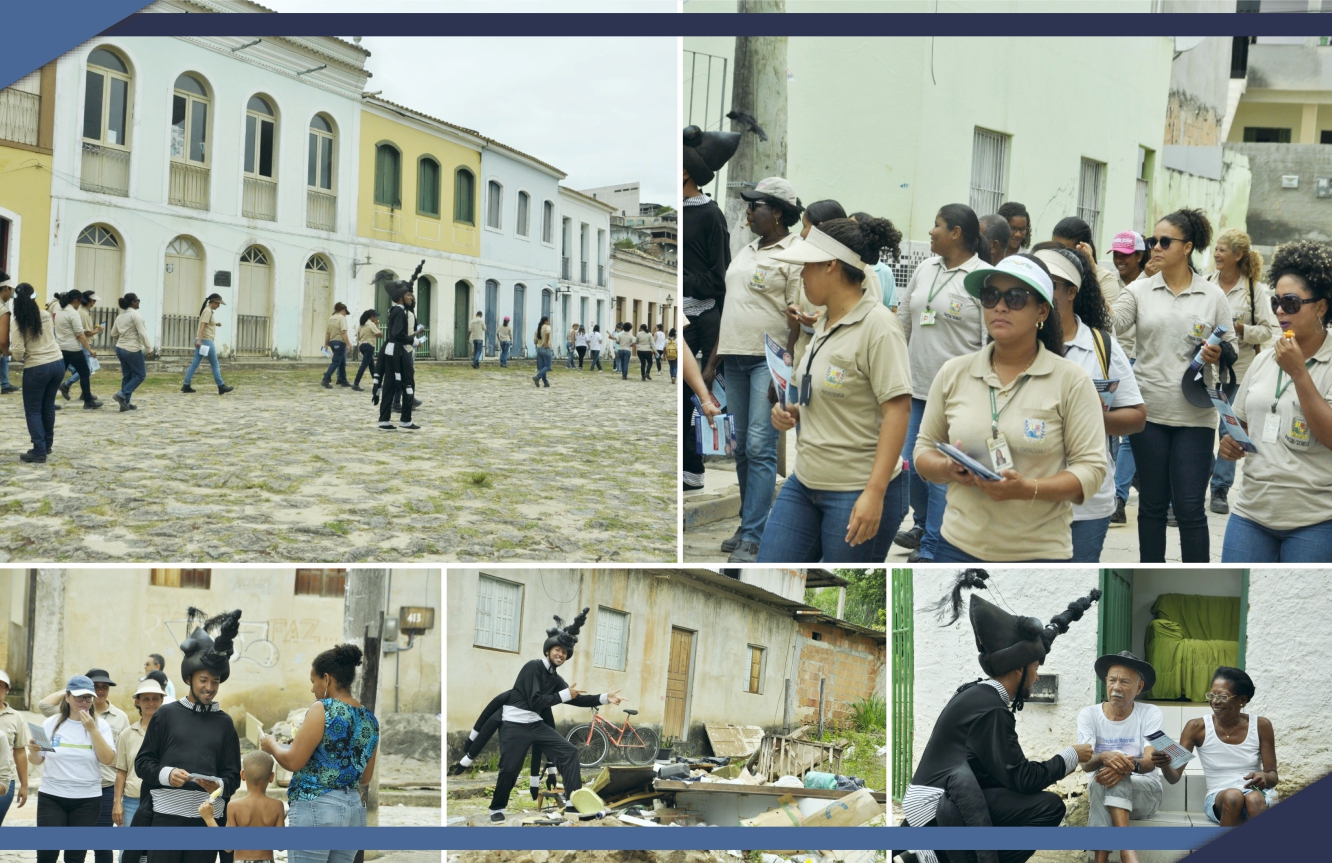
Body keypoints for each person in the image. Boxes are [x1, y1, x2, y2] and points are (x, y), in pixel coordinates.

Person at [913, 254, 1108, 563]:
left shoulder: (1071, 381)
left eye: (1015, 298)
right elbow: (923, 450)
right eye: (991, 297)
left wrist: (1027, 488)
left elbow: (1092, 470)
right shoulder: (953, 373)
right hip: (956, 547)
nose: (1000, 307)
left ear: (1041, 311)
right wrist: (947, 469)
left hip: (1039, 554)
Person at [896, 571, 1097, 863]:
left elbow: (1001, 773)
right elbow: (1023, 779)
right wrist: (1071, 755)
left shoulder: (980, 695)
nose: (1037, 675)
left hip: (944, 796)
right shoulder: (992, 709)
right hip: (935, 806)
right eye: (1035, 667)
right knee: (1048, 807)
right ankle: (931, 857)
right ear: (1018, 670)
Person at [759, 216, 911, 563]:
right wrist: (795, 412)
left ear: (831, 265)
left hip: (856, 488)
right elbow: (830, 394)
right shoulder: (825, 322)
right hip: (805, 481)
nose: (801, 276)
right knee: (772, 565)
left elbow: (897, 411)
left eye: (806, 267)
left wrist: (874, 494)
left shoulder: (878, 327)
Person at [1112, 208, 1234, 563]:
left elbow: (1233, 350)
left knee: (1190, 508)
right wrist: (1086, 285)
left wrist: (1217, 352)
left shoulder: (1212, 296)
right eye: (1152, 241)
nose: (1155, 248)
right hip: (1147, 413)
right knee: (1150, 505)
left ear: (1187, 247)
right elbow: (1113, 323)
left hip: (1195, 418)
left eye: (1164, 241)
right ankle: (1152, 568)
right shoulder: (1139, 289)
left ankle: (1199, 576)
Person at [708, 176, 805, 562]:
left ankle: (755, 534)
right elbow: (732, 307)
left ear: (777, 212)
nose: (748, 211)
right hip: (734, 357)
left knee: (759, 447)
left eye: (756, 206)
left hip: (769, 361)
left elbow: (797, 319)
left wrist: (784, 371)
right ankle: (748, 523)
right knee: (742, 451)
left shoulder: (795, 253)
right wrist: (714, 358)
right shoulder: (746, 249)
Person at [1219, 240, 1332, 561]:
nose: (1280, 311)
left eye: (1292, 303)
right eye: (1276, 302)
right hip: (1251, 513)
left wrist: (1299, 373)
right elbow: (1239, 423)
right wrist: (1231, 443)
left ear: (1321, 307)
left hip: (1316, 519)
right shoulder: (1264, 360)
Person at [1034, 244, 1145, 562]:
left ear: (1071, 292)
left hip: (1087, 501)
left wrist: (1092, 414)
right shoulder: (1019, 346)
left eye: (1051, 284)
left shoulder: (1100, 346)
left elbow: (1137, 417)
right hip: (1028, 499)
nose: (1040, 292)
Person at [895, 204, 990, 563]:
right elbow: (904, 319)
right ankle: (922, 525)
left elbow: (988, 340)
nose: (931, 232)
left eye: (937, 226)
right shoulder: (925, 267)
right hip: (916, 388)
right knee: (913, 466)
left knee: (940, 474)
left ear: (956, 233)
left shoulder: (982, 276)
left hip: (958, 394)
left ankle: (933, 546)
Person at [486, 608, 622, 823]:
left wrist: (605, 697)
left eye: (565, 653)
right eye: (558, 650)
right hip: (514, 724)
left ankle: (572, 801)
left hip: (535, 724)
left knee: (568, 752)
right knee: (510, 768)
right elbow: (534, 701)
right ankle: (497, 807)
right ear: (548, 650)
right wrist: (563, 694)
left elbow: (572, 698)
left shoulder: (555, 678)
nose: (561, 654)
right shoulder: (533, 667)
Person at [134, 608, 243, 862]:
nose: (210, 687)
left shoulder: (225, 723)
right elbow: (142, 764)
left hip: (206, 823)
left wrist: (220, 785)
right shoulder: (166, 715)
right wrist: (167, 774)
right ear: (188, 678)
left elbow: (233, 778)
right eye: (204, 680)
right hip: (164, 821)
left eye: (215, 682)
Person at [261, 644, 378, 863]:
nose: (312, 689)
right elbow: (365, 777)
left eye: (313, 681)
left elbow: (294, 761)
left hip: (316, 808)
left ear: (326, 679)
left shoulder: (322, 708)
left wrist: (272, 745)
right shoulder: (369, 719)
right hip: (353, 810)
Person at [682, 125, 741, 492]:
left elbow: (721, 279)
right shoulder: (683, 213)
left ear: (685, 172)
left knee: (692, 401)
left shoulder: (710, 215)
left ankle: (691, 475)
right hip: (682, 318)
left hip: (703, 319)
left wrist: (683, 280)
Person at [1207, 228, 1279, 515]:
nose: (1217, 254)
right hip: (1207, 371)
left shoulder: (1252, 290)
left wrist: (1242, 330)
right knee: (1201, 429)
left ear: (1238, 255)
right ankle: (1209, 473)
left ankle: (1220, 489)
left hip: (1239, 373)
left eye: (1223, 250)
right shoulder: (1206, 284)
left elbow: (1267, 331)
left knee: (1230, 429)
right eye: (1216, 249)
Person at [1150, 667, 1277, 828]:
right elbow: (1174, 777)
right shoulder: (1197, 727)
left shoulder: (1261, 725)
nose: (1215, 702)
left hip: (1255, 794)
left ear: (1242, 700)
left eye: (1223, 696)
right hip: (1219, 798)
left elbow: (1273, 776)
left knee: (1254, 798)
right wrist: (1165, 764)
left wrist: (1264, 778)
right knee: (1233, 796)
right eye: (1212, 695)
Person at [1079, 652, 1164, 863]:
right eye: (1111, 680)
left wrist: (1127, 765)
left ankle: (1108, 855)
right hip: (1104, 788)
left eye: (1125, 682)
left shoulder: (1151, 713)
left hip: (1145, 793)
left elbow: (1149, 761)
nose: (1116, 687)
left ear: (1139, 687)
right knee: (1102, 774)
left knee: (1115, 773)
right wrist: (1104, 757)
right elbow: (1086, 765)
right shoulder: (1088, 715)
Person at [29, 675, 117, 863]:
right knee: (46, 854)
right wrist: (33, 750)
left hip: (87, 800)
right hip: (51, 797)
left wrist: (92, 730)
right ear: (67, 697)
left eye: (88, 697)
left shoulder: (101, 725)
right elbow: (37, 760)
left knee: (75, 856)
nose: (84, 702)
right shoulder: (50, 723)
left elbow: (108, 759)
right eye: (79, 697)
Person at [1107, 230, 1152, 524]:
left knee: (1128, 438)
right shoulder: (1108, 282)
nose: (1120, 259)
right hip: (1110, 362)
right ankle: (1117, 489)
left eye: (1126, 254)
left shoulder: (1150, 284)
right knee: (1115, 436)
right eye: (1116, 254)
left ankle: (1118, 498)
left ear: (1139, 255)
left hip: (1139, 363)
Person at [9, 284, 66, 463]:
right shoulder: (46, 315)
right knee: (48, 406)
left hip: (37, 367)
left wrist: (12, 353)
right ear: (34, 298)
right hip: (57, 362)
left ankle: (39, 450)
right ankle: (47, 445)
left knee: (33, 409)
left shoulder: (18, 322)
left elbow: (18, 353)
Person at [197, 750, 284, 862]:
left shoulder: (234, 806)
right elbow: (281, 846)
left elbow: (228, 847)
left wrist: (209, 818)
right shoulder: (277, 806)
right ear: (271, 777)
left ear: (242, 775)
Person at [113, 676, 165, 859]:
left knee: (155, 854)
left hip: (161, 801)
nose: (151, 703)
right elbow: (121, 771)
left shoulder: (170, 734)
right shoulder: (127, 734)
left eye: (155, 699)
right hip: (132, 801)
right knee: (127, 854)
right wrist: (117, 803)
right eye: (146, 699)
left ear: (162, 701)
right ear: (138, 702)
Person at [376, 279, 420, 430]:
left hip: (391, 349)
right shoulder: (399, 312)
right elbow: (397, 334)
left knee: (390, 384)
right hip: (398, 352)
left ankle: (384, 420)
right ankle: (405, 420)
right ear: (401, 297)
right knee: (407, 383)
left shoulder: (394, 310)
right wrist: (413, 341)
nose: (411, 297)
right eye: (408, 295)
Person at [1051, 216, 1121, 310]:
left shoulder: (1105, 279)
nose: (1059, 256)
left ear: (1082, 249)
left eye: (1066, 252)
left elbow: (1107, 319)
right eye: (1055, 250)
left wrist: (1092, 271)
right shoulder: (1050, 272)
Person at [53, 291, 101, 409]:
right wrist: (90, 350)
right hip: (73, 348)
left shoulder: (58, 311)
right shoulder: (73, 313)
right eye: (79, 302)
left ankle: (48, 401)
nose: (79, 305)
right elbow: (80, 334)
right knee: (85, 372)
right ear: (75, 300)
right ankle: (88, 401)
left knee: (57, 376)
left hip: (60, 347)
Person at [182, 294, 234, 395]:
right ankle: (221, 386)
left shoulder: (207, 310)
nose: (218, 306)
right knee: (215, 364)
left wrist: (215, 324)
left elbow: (207, 324)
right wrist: (199, 340)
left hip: (202, 341)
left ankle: (186, 385)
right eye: (218, 304)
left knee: (195, 364)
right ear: (214, 302)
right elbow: (203, 326)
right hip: (206, 342)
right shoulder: (208, 311)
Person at [110, 293, 153, 412]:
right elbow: (142, 333)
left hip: (120, 348)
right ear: (132, 303)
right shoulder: (135, 315)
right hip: (132, 348)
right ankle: (122, 394)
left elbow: (113, 334)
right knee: (140, 375)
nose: (139, 302)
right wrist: (149, 348)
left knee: (127, 376)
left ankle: (125, 403)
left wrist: (124, 338)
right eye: (137, 300)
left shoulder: (120, 316)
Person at [0, 670, 30, 826]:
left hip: (4, 781)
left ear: (7, 690)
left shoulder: (15, 717)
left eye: (0, 686)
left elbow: (19, 752)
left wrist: (24, 785)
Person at [322, 302, 351, 389]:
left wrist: (326, 344)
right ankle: (326, 379)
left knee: (342, 362)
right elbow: (344, 332)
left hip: (332, 342)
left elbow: (327, 333)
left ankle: (342, 380)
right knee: (336, 362)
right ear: (342, 310)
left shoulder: (331, 318)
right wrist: (348, 344)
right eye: (345, 312)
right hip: (340, 342)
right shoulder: (341, 318)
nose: (345, 314)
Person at [352, 309, 380, 391]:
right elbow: (380, 334)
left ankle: (377, 383)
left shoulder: (361, 324)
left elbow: (358, 336)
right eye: (375, 317)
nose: (376, 318)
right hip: (369, 345)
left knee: (371, 366)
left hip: (362, 345)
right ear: (371, 317)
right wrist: (377, 325)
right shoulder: (371, 324)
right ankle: (356, 383)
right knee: (364, 365)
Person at [0, 273, 16, 395]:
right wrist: (7, 351)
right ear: (6, 288)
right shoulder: (3, 310)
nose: (11, 294)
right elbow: (3, 341)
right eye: (11, 290)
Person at [533, 315, 553, 388]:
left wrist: (538, 343)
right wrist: (547, 342)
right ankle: (537, 377)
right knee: (547, 366)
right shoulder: (547, 327)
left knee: (542, 367)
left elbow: (535, 340)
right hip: (545, 348)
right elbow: (548, 333)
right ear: (546, 321)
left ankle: (545, 382)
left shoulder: (538, 328)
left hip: (539, 348)